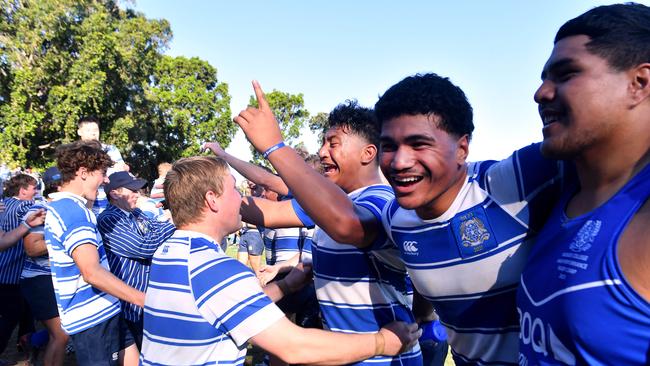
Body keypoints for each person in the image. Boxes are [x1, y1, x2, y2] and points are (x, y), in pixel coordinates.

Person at [236, 76, 570, 365]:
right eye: (389, 146)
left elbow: (346, 224)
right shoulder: (397, 219)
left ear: (462, 148)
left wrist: (275, 147)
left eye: (419, 144)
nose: (399, 161)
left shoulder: (509, 181)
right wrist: (426, 318)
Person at [140, 156, 420, 365]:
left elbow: (221, 306)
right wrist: (381, 341)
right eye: (235, 191)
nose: (243, 199)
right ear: (212, 200)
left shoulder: (169, 251)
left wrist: (286, 286)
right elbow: (293, 347)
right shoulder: (218, 269)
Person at [232, 99, 425, 365]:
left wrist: (275, 147)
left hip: (385, 358)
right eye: (323, 143)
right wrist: (206, 195)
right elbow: (268, 213)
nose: (322, 152)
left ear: (368, 153)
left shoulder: (383, 201)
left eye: (332, 143)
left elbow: (348, 226)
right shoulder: (333, 204)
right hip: (345, 354)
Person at [516, 4, 650, 365]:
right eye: (544, 77)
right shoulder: (559, 190)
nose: (541, 93)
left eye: (566, 74)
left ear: (639, 83)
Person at [45, 141, 144, 366]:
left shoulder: (77, 207)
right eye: (102, 173)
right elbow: (91, 272)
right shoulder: (71, 210)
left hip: (106, 310)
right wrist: (143, 299)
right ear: (82, 172)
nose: (106, 180)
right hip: (93, 321)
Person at [98, 171, 176, 350]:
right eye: (132, 190)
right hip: (129, 304)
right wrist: (171, 224)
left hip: (144, 299)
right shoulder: (108, 219)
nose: (137, 194)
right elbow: (144, 246)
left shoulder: (135, 213)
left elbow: (157, 229)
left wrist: (164, 227)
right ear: (114, 193)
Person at [20, 166, 69, 366]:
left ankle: (33, 342)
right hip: (39, 280)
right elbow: (32, 248)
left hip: (53, 279)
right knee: (61, 335)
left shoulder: (66, 207)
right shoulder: (41, 209)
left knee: (59, 334)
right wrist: (69, 241)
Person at [0, 174, 40, 358]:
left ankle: (27, 345)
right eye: (34, 188)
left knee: (24, 312)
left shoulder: (5, 203)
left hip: (5, 269)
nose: (37, 192)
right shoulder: (24, 206)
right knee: (11, 316)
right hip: (14, 273)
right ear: (23, 191)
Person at [77, 116, 128, 214]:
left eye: (96, 130)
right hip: (83, 204)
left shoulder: (110, 150)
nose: (93, 133)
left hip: (109, 204)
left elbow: (121, 171)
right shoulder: (74, 152)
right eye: (88, 130)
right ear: (79, 132)